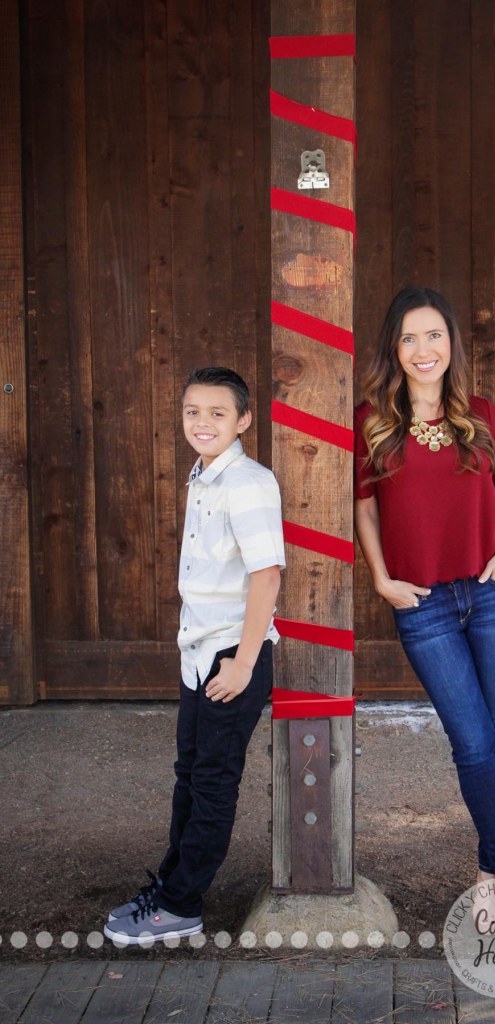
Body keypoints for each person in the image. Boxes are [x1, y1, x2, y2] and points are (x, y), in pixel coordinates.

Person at [354, 286, 495, 945]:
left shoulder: (481, 415)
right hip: (424, 605)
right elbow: (365, 508)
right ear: (393, 349)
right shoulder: (372, 422)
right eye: (409, 338)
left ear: (451, 343)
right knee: (472, 741)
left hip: (493, 593)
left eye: (434, 335)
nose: (423, 349)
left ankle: (493, 874)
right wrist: (380, 579)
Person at [104, 366, 285, 945]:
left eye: (217, 413)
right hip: (200, 654)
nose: (203, 422)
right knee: (189, 775)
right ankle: (169, 886)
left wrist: (244, 663)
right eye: (193, 411)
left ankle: (181, 905)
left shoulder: (248, 483)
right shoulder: (202, 476)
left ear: (243, 420)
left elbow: (266, 576)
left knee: (211, 783)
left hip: (233, 656)